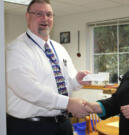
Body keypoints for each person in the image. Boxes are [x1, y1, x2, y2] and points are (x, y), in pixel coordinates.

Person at [6, 0, 92, 135]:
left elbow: (67, 83)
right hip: (31, 127)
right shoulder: (17, 49)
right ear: (28, 17)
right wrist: (67, 103)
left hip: (63, 124)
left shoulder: (59, 48)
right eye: (39, 14)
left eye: (49, 14)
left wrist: (77, 80)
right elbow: (29, 89)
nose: (45, 18)